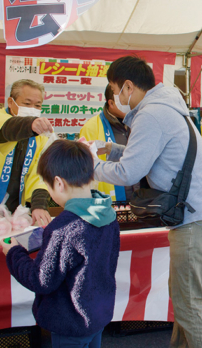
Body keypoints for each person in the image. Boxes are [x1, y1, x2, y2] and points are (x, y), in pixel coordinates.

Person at [93, 56, 202, 348]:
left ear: (128, 86)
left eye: (114, 88)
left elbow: (130, 170)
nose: (115, 96)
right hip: (201, 218)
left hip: (196, 222)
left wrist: (91, 166)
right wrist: (112, 149)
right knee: (185, 300)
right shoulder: (165, 106)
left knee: (189, 305)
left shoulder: (151, 114)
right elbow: (152, 152)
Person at [1, 139, 120, 348]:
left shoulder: (63, 228)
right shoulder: (108, 214)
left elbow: (41, 280)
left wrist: (14, 252)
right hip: (97, 314)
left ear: (58, 183)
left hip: (69, 322)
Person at [0, 79, 52, 226]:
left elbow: (38, 175)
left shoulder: (39, 136)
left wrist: (39, 205)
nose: (32, 109)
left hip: (15, 215)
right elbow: (7, 129)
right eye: (27, 104)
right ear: (11, 102)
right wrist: (30, 124)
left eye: (37, 105)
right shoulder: (6, 121)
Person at [80, 84, 136, 201]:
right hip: (109, 203)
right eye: (125, 101)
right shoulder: (91, 127)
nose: (131, 104)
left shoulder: (139, 122)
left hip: (142, 201)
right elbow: (85, 170)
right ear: (111, 103)